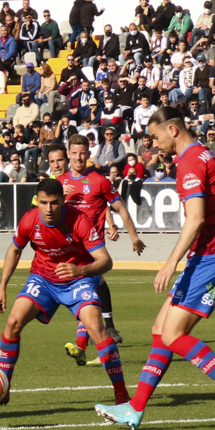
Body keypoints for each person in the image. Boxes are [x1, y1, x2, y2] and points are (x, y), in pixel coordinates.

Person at [95, 106, 215, 430]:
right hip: (213, 255)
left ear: (172, 130)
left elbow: (196, 217)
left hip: (210, 258)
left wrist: (171, 262)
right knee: (160, 330)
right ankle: (136, 409)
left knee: (173, 334)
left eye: (155, 138)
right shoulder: (211, 156)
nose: (154, 146)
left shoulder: (188, 163)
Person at [0, 176, 126, 406]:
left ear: (63, 201)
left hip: (78, 280)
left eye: (54, 202)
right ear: (37, 200)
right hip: (43, 279)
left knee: (96, 327)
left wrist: (80, 270)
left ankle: (122, 394)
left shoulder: (80, 221)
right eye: (43, 202)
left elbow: (106, 261)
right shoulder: (29, 220)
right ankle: (4, 386)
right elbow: (14, 251)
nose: (49, 208)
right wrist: (1, 288)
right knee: (13, 322)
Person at [52, 139, 146, 366]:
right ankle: (104, 343)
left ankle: (82, 346)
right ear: (69, 154)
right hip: (68, 251)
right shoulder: (59, 182)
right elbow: (44, 210)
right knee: (87, 297)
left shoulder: (99, 181)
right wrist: (59, 198)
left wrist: (134, 237)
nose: (78, 158)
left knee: (87, 296)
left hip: (92, 252)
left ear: (88, 154)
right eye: (74, 153)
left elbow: (120, 207)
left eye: (82, 153)